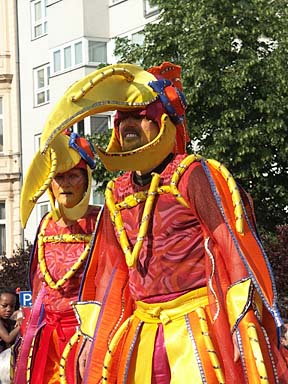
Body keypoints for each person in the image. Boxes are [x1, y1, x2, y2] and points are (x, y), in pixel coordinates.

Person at [38, 62, 288, 383]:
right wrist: (93, 336)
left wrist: (242, 321)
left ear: (162, 121)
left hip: (196, 331)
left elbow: (230, 246)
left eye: (140, 116)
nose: (128, 123)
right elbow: (109, 272)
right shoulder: (117, 191)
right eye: (123, 118)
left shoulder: (192, 174)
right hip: (142, 332)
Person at [13, 132, 102, 384]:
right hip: (47, 339)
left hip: (86, 338)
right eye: (59, 177)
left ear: (86, 180)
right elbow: (38, 283)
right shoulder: (45, 225)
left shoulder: (102, 221)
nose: (65, 184)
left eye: (73, 175)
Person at [0, 288, 20, 353]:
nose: (8, 309)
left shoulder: (7, 321)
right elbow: (8, 338)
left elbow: (14, 323)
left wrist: (20, 320)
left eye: (12, 306)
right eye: (4, 306)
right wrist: (21, 325)